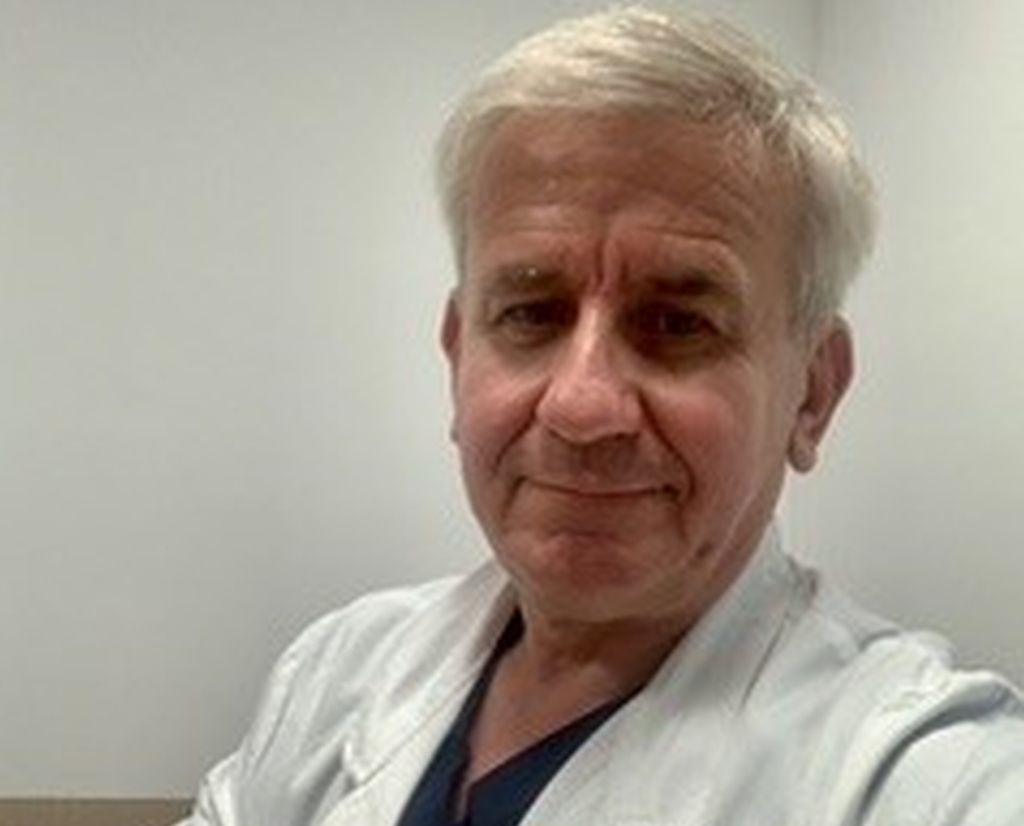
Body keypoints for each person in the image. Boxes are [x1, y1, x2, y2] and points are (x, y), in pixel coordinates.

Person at [178, 6, 1024, 825]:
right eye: (530, 313)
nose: (582, 407)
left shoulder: (923, 772)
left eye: (678, 324)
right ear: (457, 359)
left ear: (812, 395)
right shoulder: (337, 671)